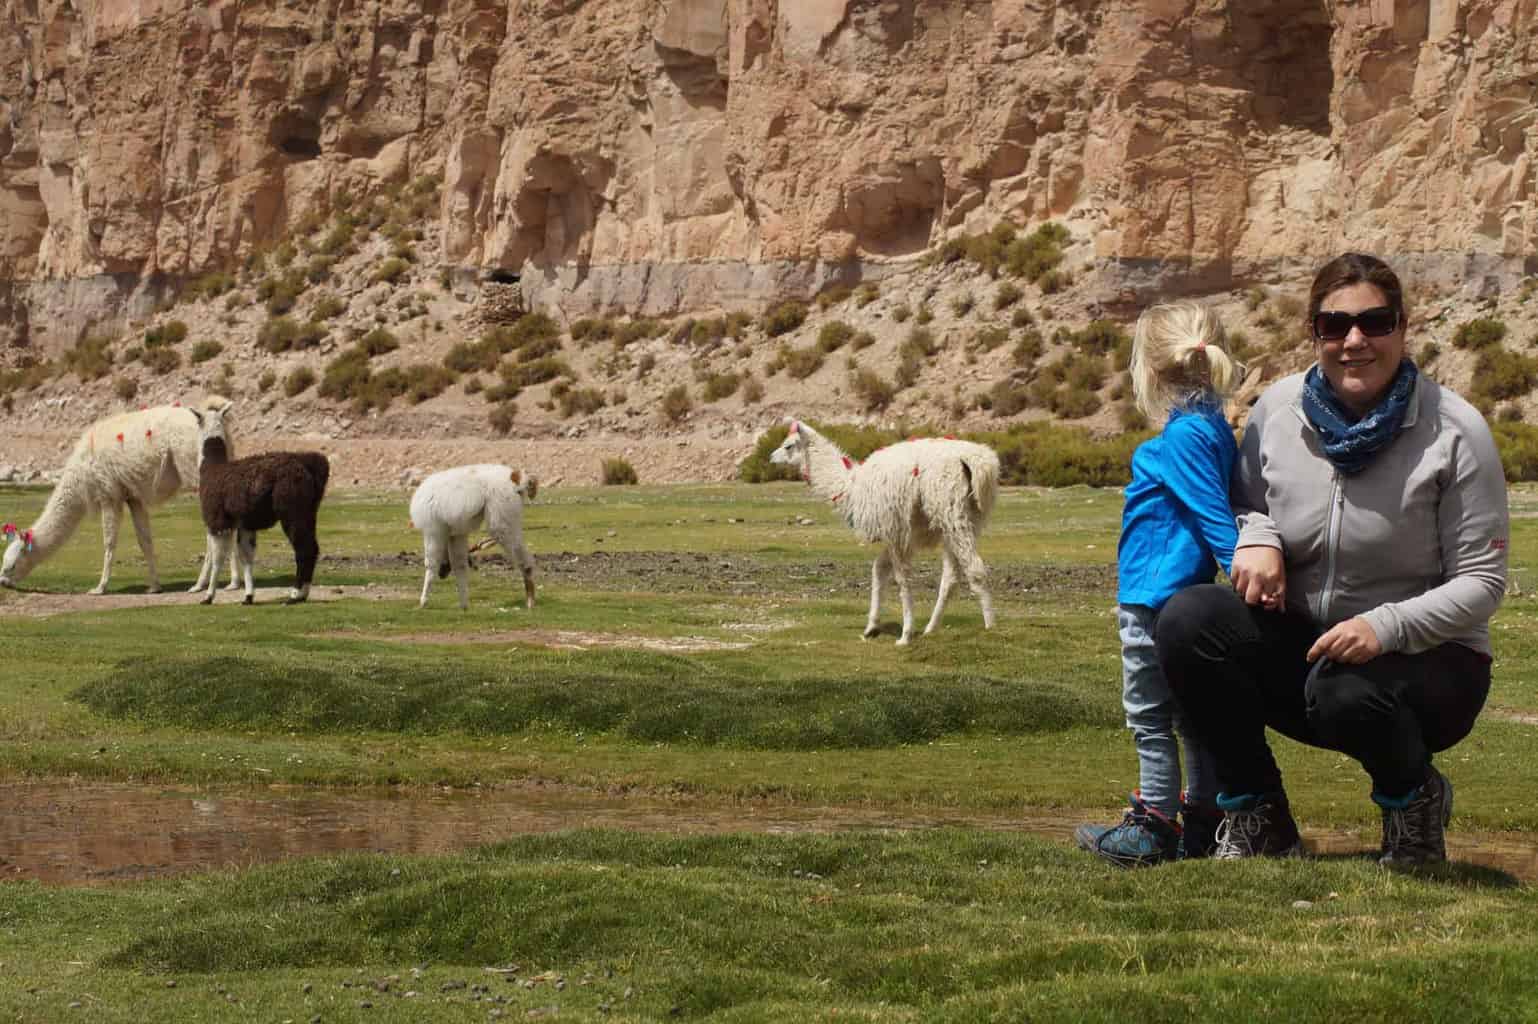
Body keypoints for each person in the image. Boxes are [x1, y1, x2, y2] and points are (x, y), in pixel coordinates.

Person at [1154, 252, 1509, 866]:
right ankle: (1259, 818)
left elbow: (1482, 582)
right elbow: (1247, 504)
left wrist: (1383, 627)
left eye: (1375, 322)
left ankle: (1413, 803)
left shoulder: (1456, 430)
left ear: (1403, 327)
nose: (1354, 341)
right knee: (1189, 620)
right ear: (1312, 332)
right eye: (1334, 325)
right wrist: (1258, 536)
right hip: (1308, 649)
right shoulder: (1277, 412)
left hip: (1426, 667)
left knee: (1345, 689)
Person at [1075, 300, 1241, 866]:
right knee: (1190, 719)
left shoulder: (1184, 437)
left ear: (1150, 369)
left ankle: (1152, 828)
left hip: (1151, 599)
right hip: (1179, 597)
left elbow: (1214, 517)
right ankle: (1201, 820)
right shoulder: (1211, 427)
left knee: (1150, 718)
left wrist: (1247, 574)